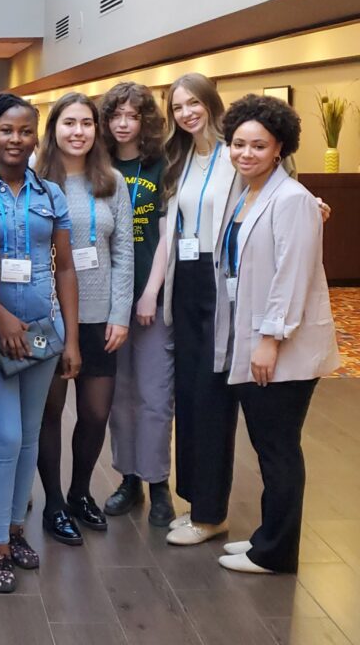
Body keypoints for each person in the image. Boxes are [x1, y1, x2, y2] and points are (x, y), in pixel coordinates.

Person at [213, 94, 339, 574]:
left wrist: (270, 339)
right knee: (268, 447)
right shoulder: (250, 192)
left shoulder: (292, 199)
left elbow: (294, 274)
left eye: (258, 146)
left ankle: (276, 552)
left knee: (279, 449)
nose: (245, 154)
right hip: (255, 336)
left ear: (279, 147)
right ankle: (267, 537)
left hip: (279, 346)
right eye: (238, 144)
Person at [0, 94, 80, 593]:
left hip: (41, 335)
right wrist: (0, 316)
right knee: (6, 437)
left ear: (37, 135)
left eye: (25, 131)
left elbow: (67, 268)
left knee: (32, 437)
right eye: (6, 131)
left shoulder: (50, 193)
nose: (16, 140)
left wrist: (71, 339)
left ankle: (16, 532)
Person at [35, 93, 134, 545]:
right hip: (49, 316)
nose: (78, 131)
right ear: (53, 128)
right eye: (69, 122)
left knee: (95, 413)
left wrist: (120, 314)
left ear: (97, 130)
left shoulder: (111, 181)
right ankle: (53, 502)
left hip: (101, 318)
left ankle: (79, 493)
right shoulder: (37, 180)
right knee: (50, 413)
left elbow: (124, 253)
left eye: (87, 123)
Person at [159, 72, 240, 545]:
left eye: (194, 104)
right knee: (187, 395)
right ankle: (194, 503)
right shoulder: (182, 157)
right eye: (177, 107)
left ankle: (211, 513)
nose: (187, 113)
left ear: (211, 103)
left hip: (221, 285)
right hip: (185, 284)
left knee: (211, 398)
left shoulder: (238, 153)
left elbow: (276, 198)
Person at [99, 82, 176, 527]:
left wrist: (149, 291)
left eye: (133, 116)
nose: (124, 124)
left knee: (154, 394)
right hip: (109, 302)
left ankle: (158, 480)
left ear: (147, 121)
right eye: (116, 116)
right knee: (119, 394)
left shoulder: (162, 166)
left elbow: (166, 235)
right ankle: (129, 477)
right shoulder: (101, 166)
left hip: (152, 298)